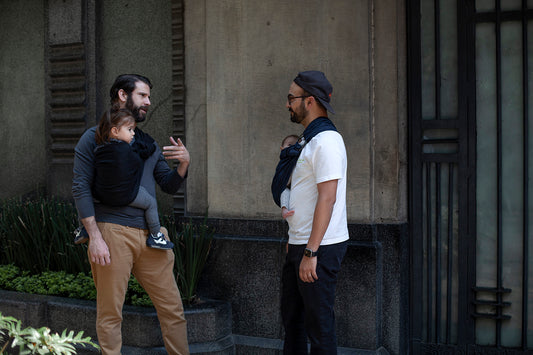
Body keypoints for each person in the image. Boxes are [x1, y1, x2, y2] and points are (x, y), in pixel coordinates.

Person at [72, 74, 190, 355]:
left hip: (152, 237)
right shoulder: (95, 137)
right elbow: (80, 187)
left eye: (149, 97)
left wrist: (184, 164)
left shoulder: (146, 143)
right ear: (123, 95)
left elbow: (168, 184)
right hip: (112, 234)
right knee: (111, 315)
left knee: (173, 310)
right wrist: (95, 237)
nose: (149, 102)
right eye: (143, 95)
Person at [274, 71, 349, 354]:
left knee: (319, 327)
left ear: (310, 101)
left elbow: (327, 199)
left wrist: (311, 252)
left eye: (291, 98)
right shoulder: (309, 140)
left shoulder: (327, 141)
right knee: (292, 321)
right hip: (300, 243)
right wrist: (295, 242)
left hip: (320, 248)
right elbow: (304, 195)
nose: (287, 104)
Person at [74, 108, 174, 250]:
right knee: (150, 203)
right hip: (126, 196)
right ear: (115, 131)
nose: (134, 133)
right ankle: (156, 235)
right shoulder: (127, 150)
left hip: (102, 196)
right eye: (129, 130)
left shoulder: (98, 149)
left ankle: (82, 229)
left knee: (85, 196)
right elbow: (136, 164)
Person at [279, 134, 299, 220]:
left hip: (298, 186)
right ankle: (284, 209)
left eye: (295, 146)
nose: (292, 148)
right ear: (282, 148)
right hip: (287, 185)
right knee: (284, 192)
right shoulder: (284, 160)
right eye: (289, 145)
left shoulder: (300, 158)